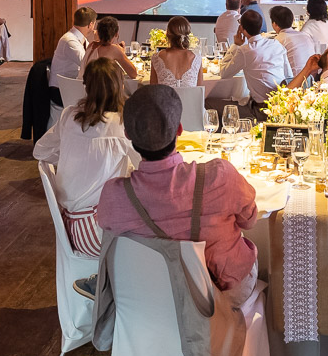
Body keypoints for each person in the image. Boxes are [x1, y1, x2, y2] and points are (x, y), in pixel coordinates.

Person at [97, 85, 259, 308]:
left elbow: (107, 232)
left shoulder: (114, 196)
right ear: (180, 130)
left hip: (151, 298)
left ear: (127, 135)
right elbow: (250, 220)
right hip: (222, 295)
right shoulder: (220, 176)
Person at [34, 58, 138, 258]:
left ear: (86, 87)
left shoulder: (69, 116)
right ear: (120, 86)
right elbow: (146, 167)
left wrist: (74, 155)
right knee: (161, 231)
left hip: (70, 226)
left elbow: (40, 151)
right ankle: (119, 284)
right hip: (97, 233)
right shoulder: (121, 125)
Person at [218, 9, 292, 115]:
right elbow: (289, 76)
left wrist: (235, 45)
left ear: (241, 28)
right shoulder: (276, 44)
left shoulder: (245, 51)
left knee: (209, 103)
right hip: (282, 107)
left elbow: (224, 73)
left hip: (261, 110)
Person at [50, 6, 96, 94]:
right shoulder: (70, 41)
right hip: (60, 90)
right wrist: (98, 42)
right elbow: (87, 64)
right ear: (90, 25)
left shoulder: (81, 40)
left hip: (70, 85)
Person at [149, 16, 202, 88]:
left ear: (167, 34)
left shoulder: (157, 58)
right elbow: (200, 93)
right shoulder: (196, 58)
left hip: (165, 99)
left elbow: (153, 92)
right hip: (190, 99)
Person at [269, 5, 316, 74]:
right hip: (312, 78)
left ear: (274, 24)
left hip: (294, 81)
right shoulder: (306, 36)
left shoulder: (278, 41)